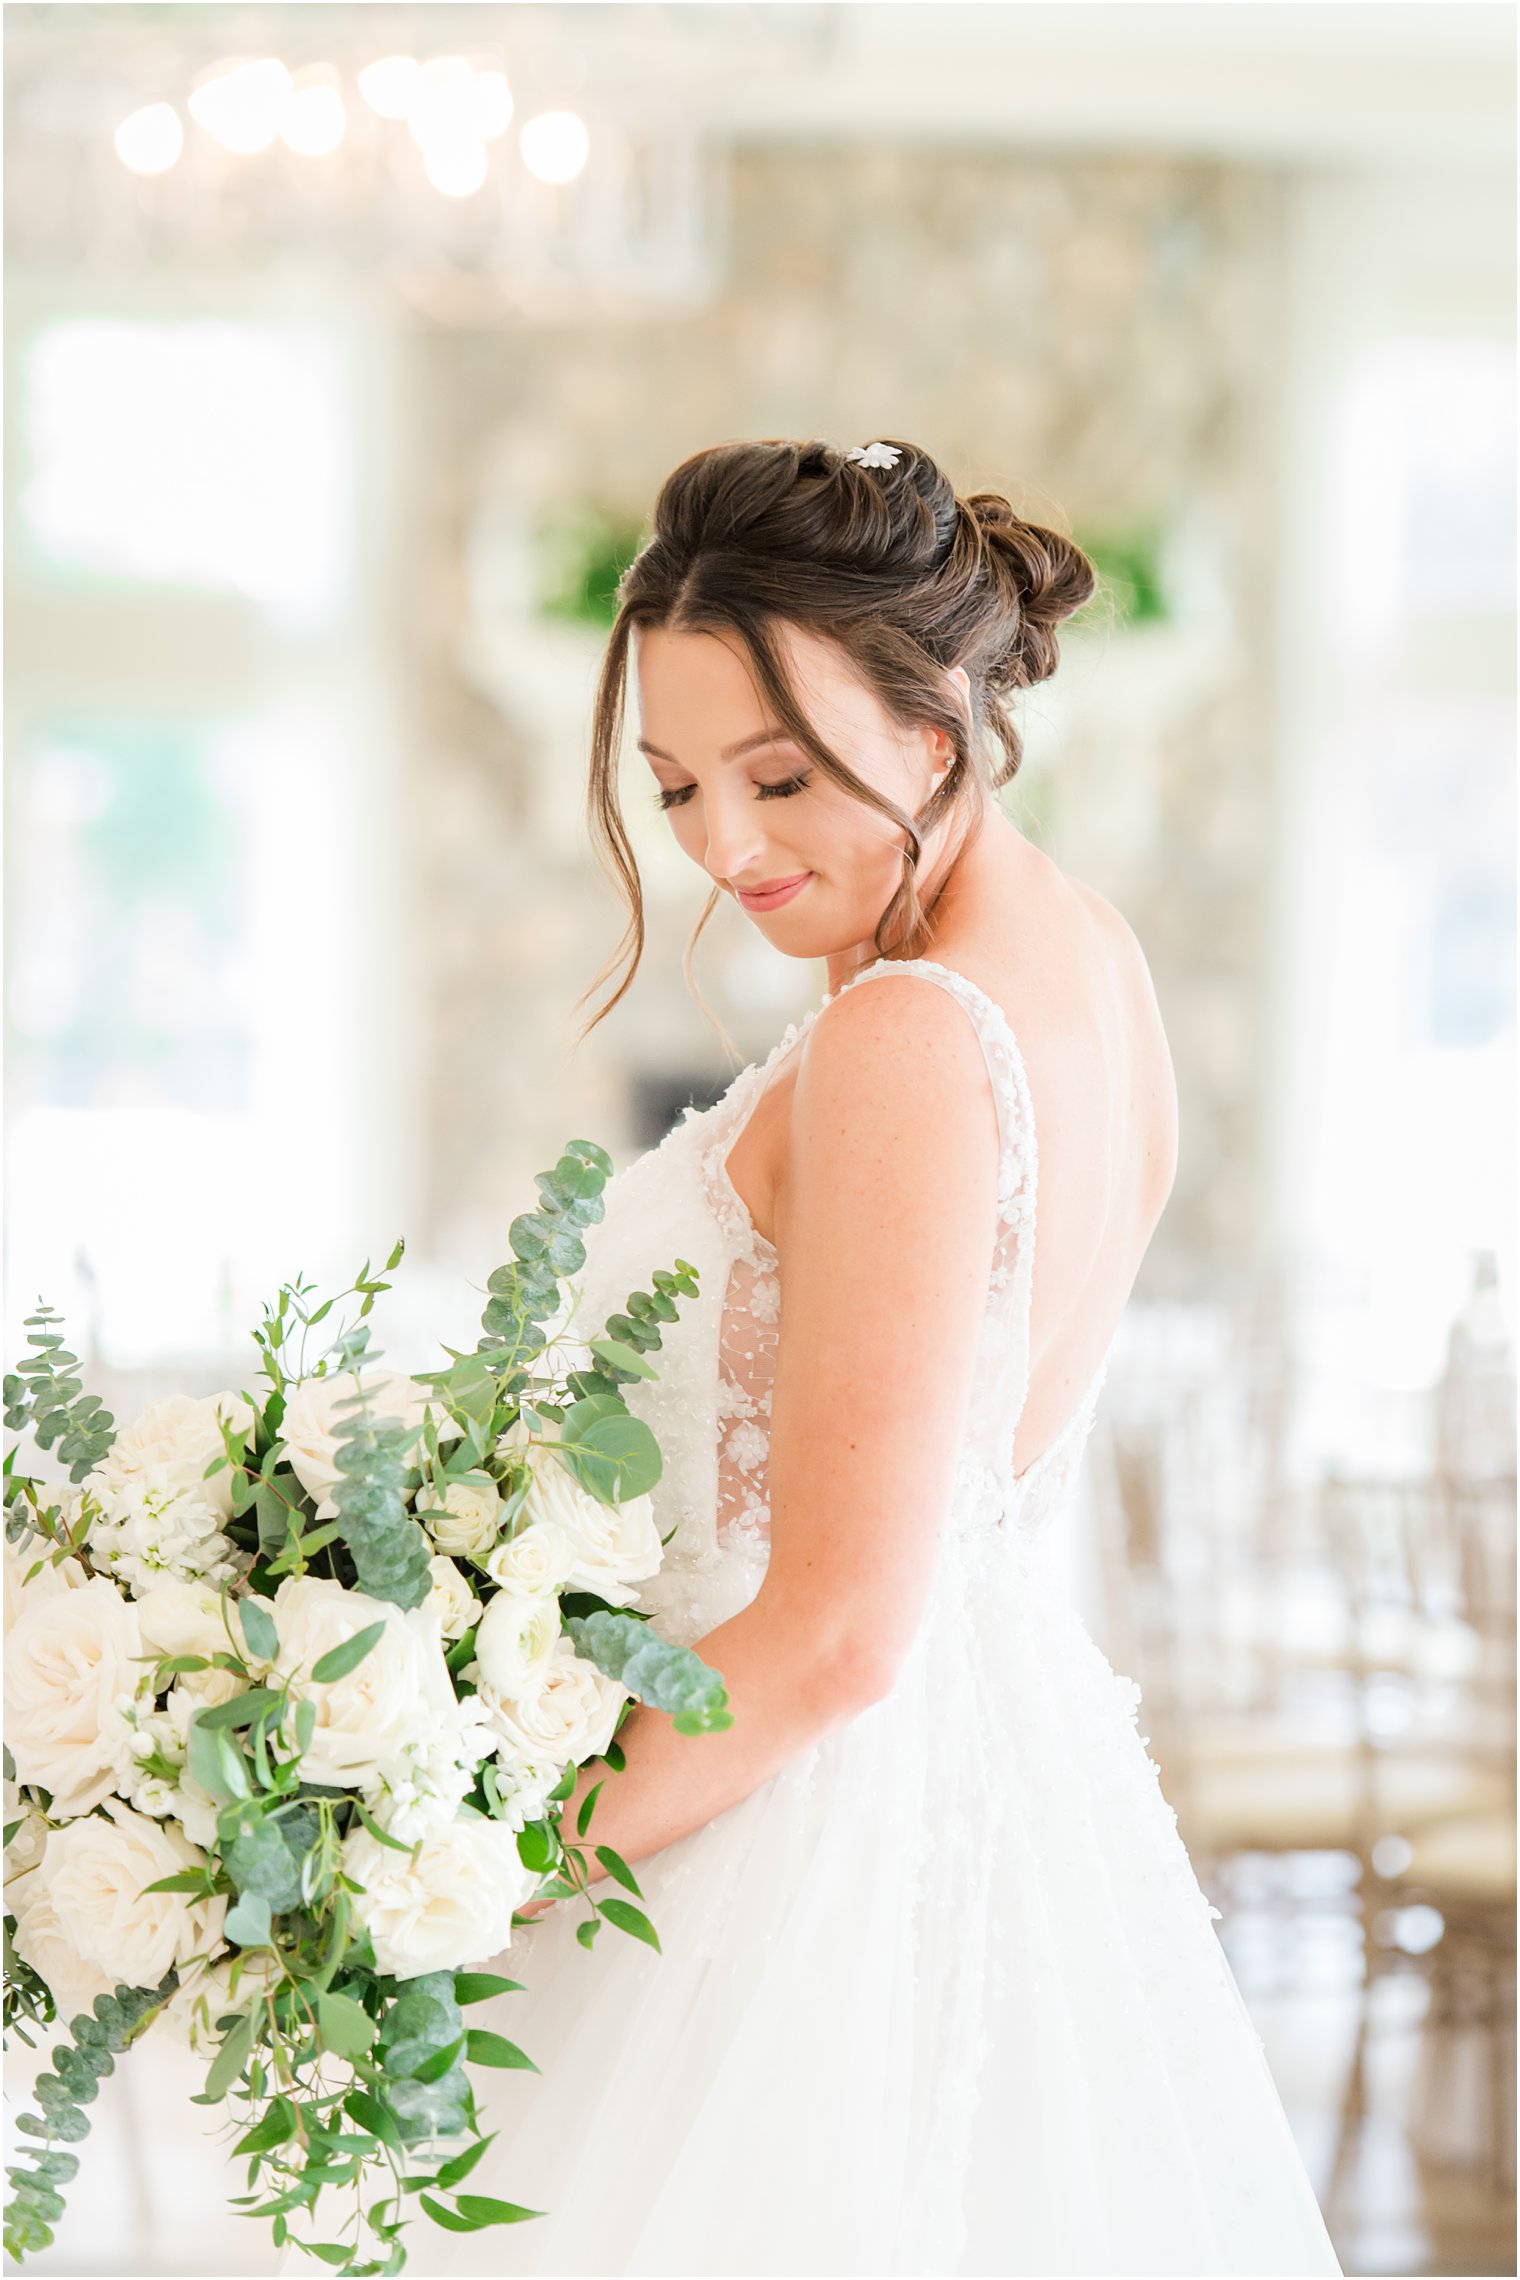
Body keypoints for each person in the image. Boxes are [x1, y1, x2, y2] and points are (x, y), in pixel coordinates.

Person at [438, 438, 1342, 2277]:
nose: (725, 848)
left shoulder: (912, 1037)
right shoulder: (1090, 959)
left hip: (793, 1857)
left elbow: (841, 1627)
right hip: (975, 1810)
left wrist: (473, 1871)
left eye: (781, 774)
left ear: (938, 733)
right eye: (679, 785)